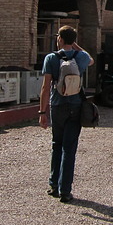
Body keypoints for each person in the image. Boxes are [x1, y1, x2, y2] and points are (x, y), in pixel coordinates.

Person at [38, 25, 94, 203]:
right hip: (76, 105)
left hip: (57, 105)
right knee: (69, 149)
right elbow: (91, 59)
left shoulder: (51, 58)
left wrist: (42, 112)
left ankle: (53, 185)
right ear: (73, 40)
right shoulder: (81, 57)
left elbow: (46, 87)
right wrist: (74, 46)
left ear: (60, 39)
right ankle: (65, 190)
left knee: (57, 144)